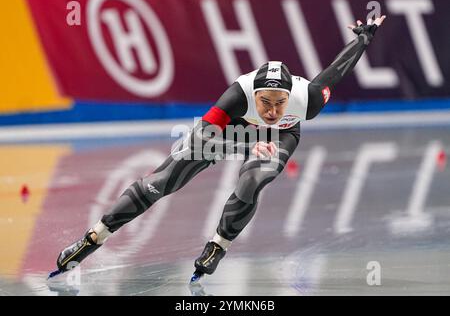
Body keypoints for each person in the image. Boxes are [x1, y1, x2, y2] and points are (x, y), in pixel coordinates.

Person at [49, 16, 386, 282]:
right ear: (253, 95)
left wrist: (363, 37)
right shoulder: (237, 94)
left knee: (252, 181)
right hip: (232, 129)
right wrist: (231, 146)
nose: (271, 110)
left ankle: (217, 246)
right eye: (264, 102)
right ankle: (94, 238)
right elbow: (207, 135)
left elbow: (336, 71)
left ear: (290, 98)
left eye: (279, 103)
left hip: (282, 137)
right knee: (165, 180)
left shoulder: (308, 99)